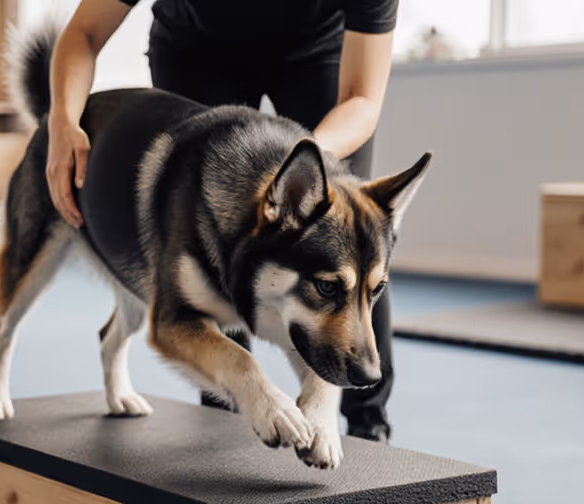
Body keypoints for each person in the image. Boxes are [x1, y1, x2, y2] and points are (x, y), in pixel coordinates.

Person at [47, 0, 400, 442]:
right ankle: (226, 425)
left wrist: (302, 162)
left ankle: (368, 425)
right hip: (198, 49)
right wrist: (62, 119)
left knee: (350, 243)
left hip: (317, 52)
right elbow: (84, 33)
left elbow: (361, 98)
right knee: (208, 252)